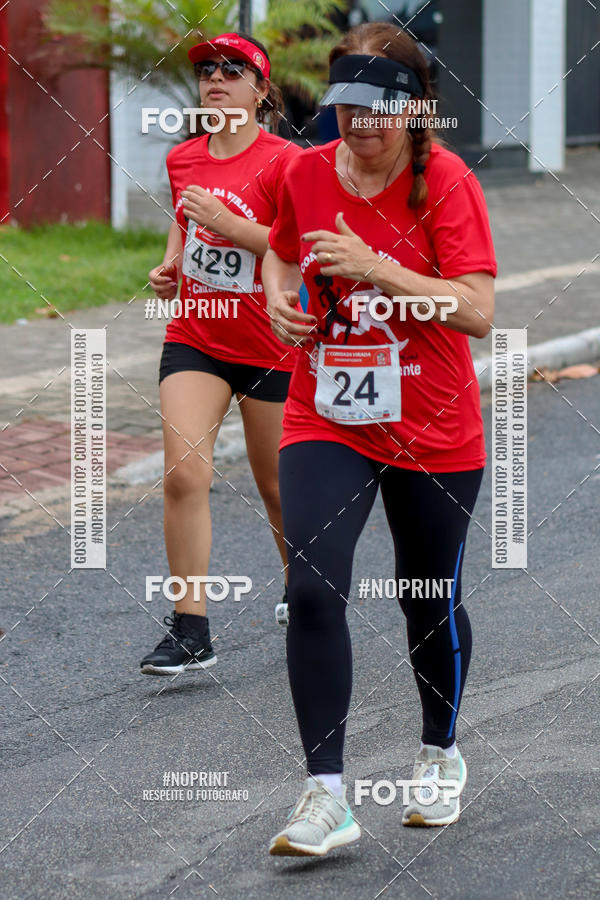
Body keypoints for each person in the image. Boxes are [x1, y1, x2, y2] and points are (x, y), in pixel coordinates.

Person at [262, 22, 497, 855]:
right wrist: (278, 298)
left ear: (414, 108)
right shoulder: (302, 170)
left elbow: (475, 310)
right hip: (326, 411)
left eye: (377, 108)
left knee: (426, 599)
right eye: (345, 106)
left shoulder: (448, 182)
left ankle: (441, 752)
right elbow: (282, 255)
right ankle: (326, 796)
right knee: (316, 588)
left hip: (432, 424)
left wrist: (380, 269)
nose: (358, 125)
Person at [140, 33, 301, 676]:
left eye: (234, 71)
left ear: (261, 92)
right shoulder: (184, 159)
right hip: (197, 337)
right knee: (184, 475)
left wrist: (232, 227)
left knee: (278, 488)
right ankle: (191, 627)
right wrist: (170, 265)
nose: (216, 79)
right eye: (208, 69)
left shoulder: (287, 162)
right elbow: (185, 222)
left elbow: (297, 248)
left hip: (271, 346)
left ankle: (303, 586)